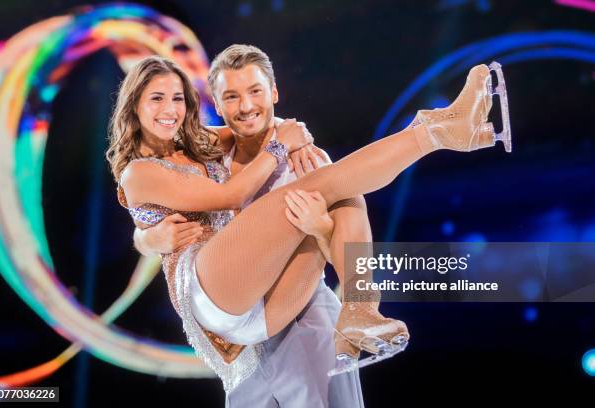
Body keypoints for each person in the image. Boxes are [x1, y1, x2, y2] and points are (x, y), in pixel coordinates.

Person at [106, 50, 508, 402]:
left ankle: (360, 308)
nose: (170, 109)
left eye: (177, 98)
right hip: (211, 294)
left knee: (342, 189)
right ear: (134, 106)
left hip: (267, 309)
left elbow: (263, 125)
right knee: (316, 186)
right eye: (156, 98)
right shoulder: (138, 172)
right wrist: (282, 145)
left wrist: (295, 139)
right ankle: (436, 130)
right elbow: (229, 196)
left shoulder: (201, 141)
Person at [133, 44, 372, 407]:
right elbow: (149, 205)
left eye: (255, 91)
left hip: (304, 323)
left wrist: (321, 228)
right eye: (232, 96)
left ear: (274, 92)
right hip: (242, 348)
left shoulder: (304, 160)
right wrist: (148, 238)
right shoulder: (208, 156)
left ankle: (438, 132)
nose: (245, 106)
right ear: (217, 104)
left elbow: (349, 244)